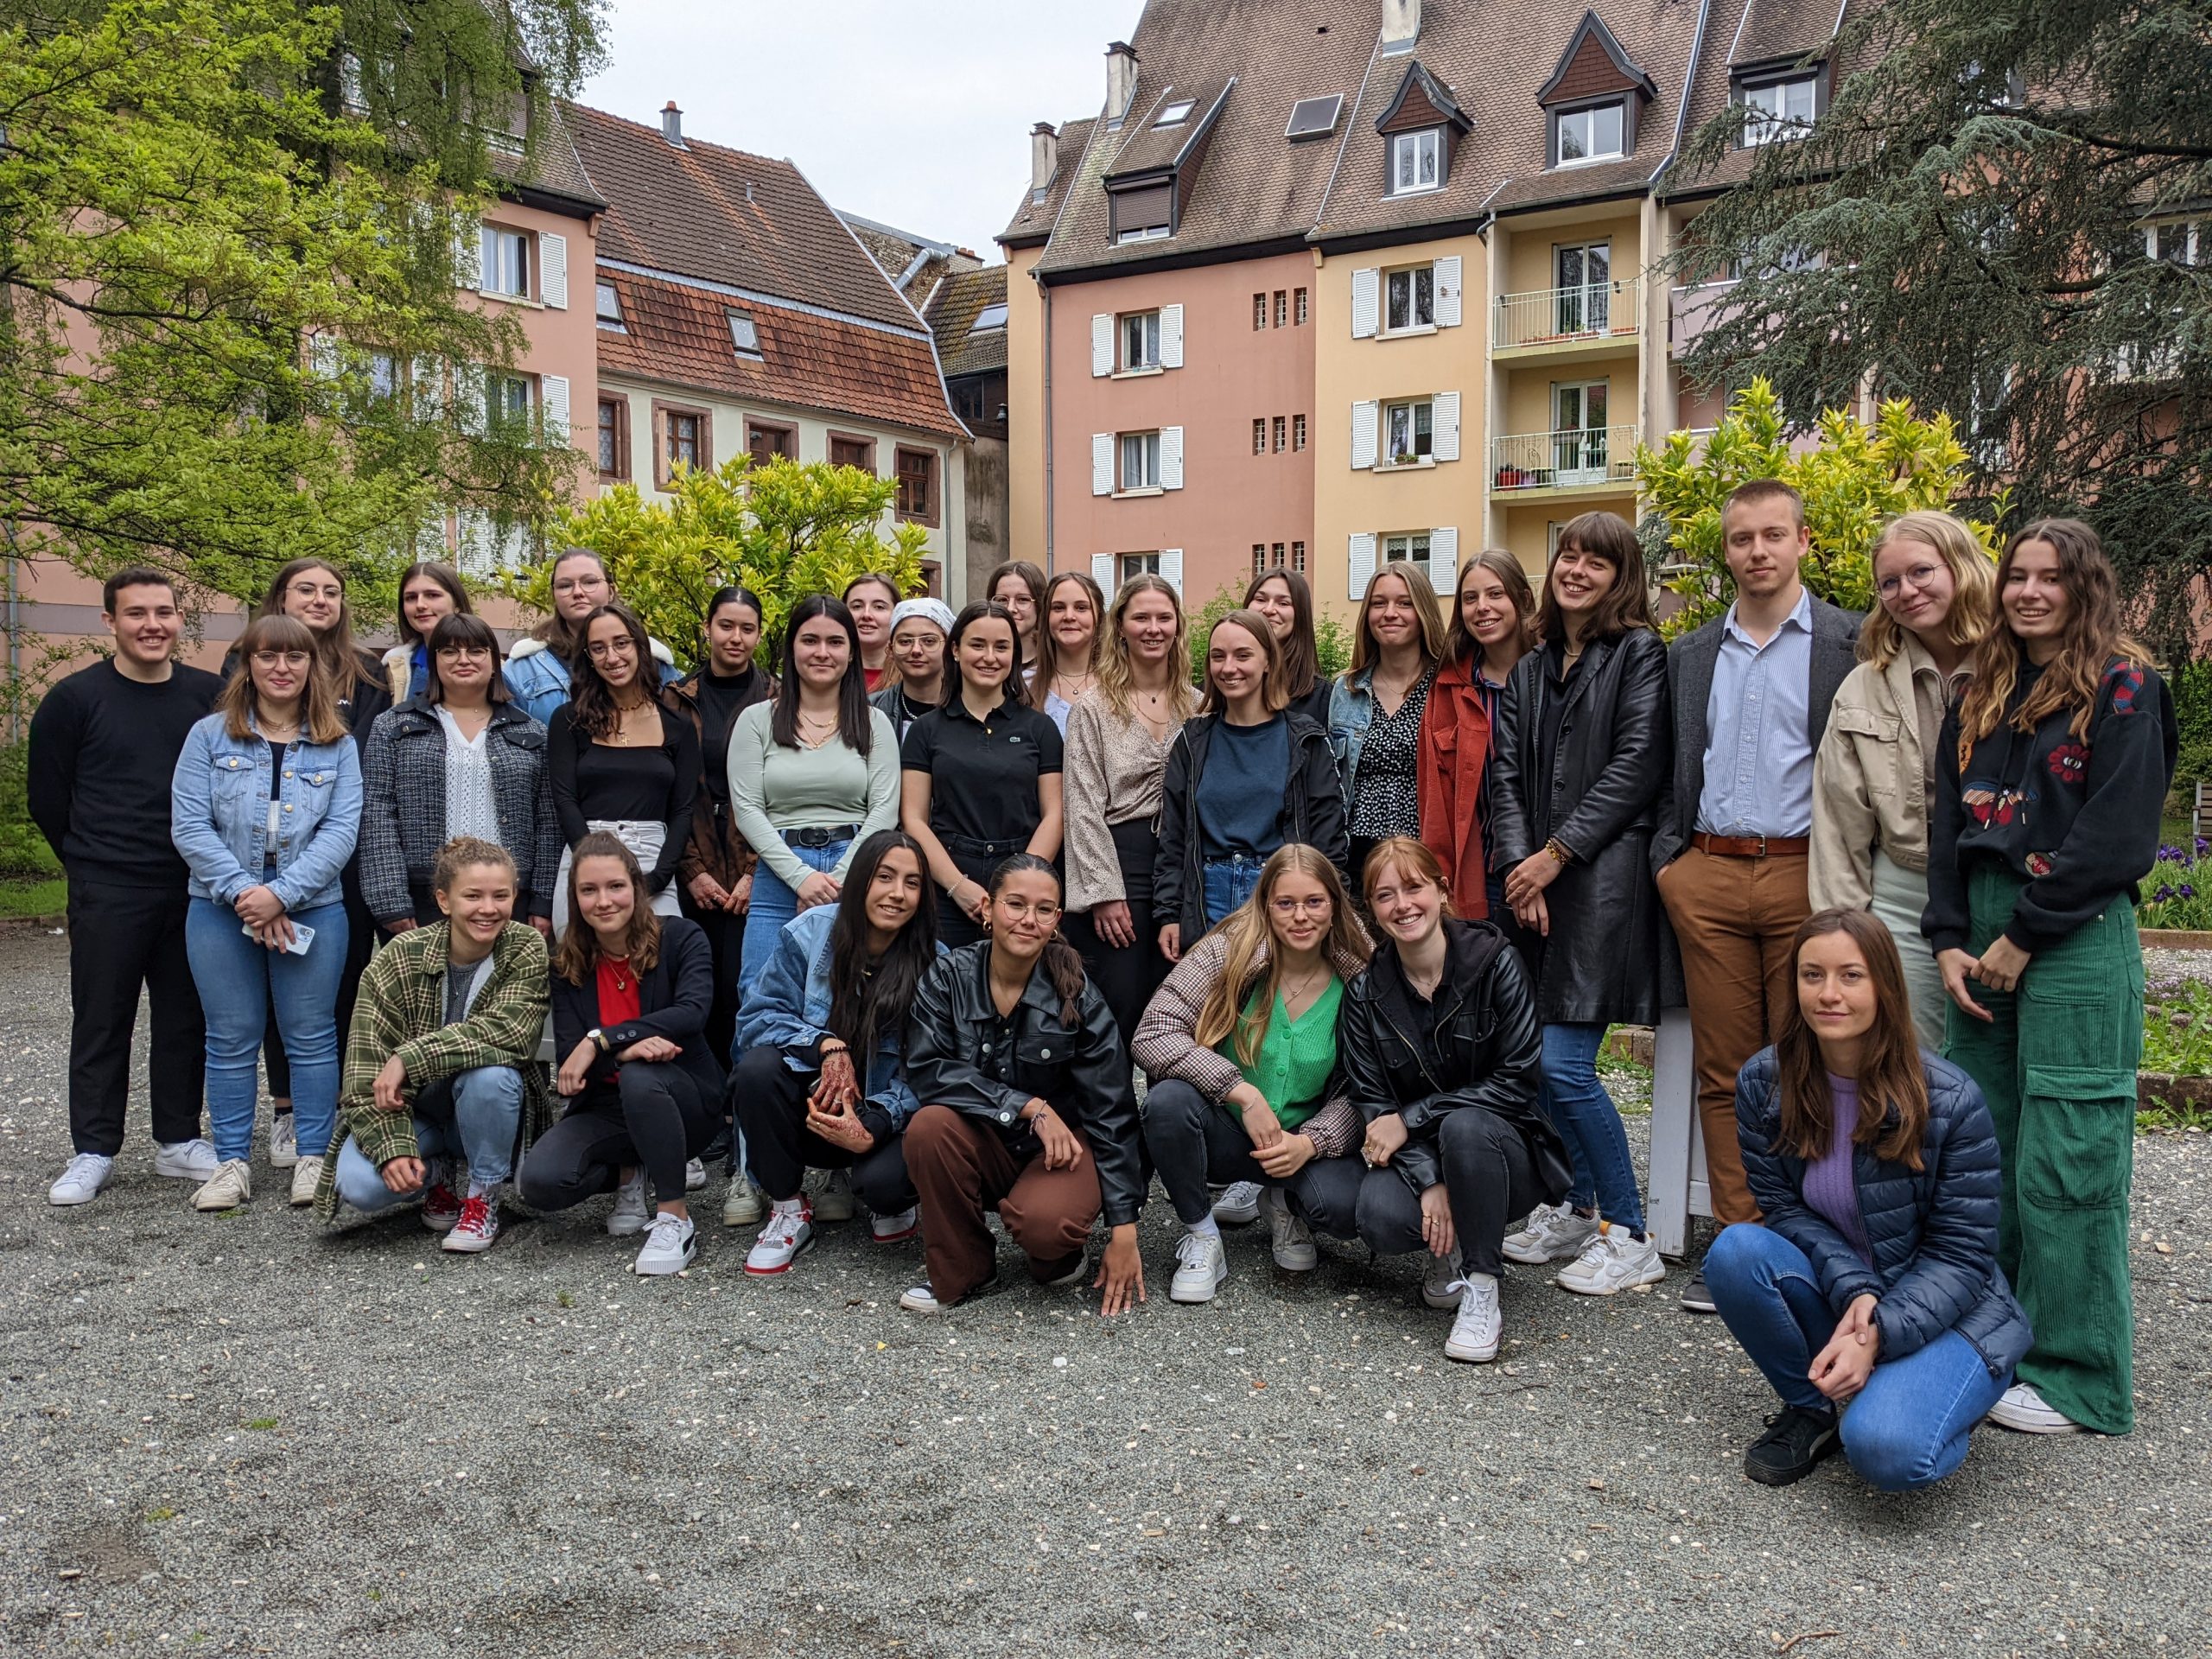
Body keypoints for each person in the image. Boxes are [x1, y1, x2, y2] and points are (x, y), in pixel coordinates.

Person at [1927, 518, 2175, 1438]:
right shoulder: (1980, 687)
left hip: (2070, 934)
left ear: (2084, 585)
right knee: (1980, 1148)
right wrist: (1950, 935)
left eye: (2050, 577)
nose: (2029, 591)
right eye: (2016, 576)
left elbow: (2118, 833)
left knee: (2066, 1158)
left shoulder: (2125, 684)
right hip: (1983, 935)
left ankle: (2078, 1376)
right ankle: (1992, 1337)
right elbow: (1946, 818)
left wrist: (2023, 938)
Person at [1707, 908, 2029, 1489]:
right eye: (1812, 976)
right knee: (1735, 1252)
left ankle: (1936, 1392)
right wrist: (1856, 1290)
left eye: (1851, 976)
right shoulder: (1764, 1083)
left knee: (1889, 1454)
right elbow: (1783, 1209)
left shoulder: (1951, 1100)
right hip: (1847, 1287)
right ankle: (1812, 1409)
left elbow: (1962, 1256)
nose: (1829, 994)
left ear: (1884, 983)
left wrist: (1878, 1328)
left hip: (1951, 1307)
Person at [1652, 478, 1861, 1313]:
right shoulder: (1693, 653)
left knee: (1811, 1064)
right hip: (1708, 870)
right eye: (1742, 540)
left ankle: (1815, 1243)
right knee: (1725, 1069)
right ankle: (1741, 1247)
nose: (1758, 552)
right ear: (1727, 551)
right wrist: (1673, 867)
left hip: (1807, 874)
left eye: (1774, 535)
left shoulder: (1851, 641)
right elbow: (1672, 765)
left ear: (1804, 541)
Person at [1489, 512, 1671, 1295]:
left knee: (1566, 1067)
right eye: (1568, 556)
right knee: (1535, 1062)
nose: (1577, 571)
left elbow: (1637, 766)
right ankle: (1576, 1203)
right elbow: (1504, 777)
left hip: (1596, 885)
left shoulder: (1638, 653)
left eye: (1597, 562)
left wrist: (1554, 859)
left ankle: (1631, 1233)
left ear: (1619, 575)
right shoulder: (1531, 667)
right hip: (1533, 887)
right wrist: (1519, 870)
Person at [34, 569, 224, 1206]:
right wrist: (91, 862)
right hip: (108, 887)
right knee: (102, 1018)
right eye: (137, 613)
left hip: (193, 888)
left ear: (179, 621)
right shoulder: (74, 699)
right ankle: (93, 1148)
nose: (152, 625)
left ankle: (177, 1139)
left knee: (184, 1017)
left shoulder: (210, 695)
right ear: (109, 622)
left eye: (165, 612)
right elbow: (48, 800)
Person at [1339, 838, 1571, 1363]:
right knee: (1378, 1217)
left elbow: (1516, 1081)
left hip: (1503, 1150)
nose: (1403, 905)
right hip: (1422, 1157)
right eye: (1385, 895)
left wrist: (1415, 1116)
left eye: (1415, 887)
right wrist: (1430, 1180)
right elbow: (1373, 1103)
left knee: (1464, 1126)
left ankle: (1482, 1283)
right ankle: (1449, 1246)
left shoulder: (1495, 962)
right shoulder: (1364, 994)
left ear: (1442, 891)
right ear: (1371, 910)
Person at [171, 613, 362, 1211]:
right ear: (248, 665)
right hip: (218, 909)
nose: (282, 668)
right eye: (269, 657)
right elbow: (189, 826)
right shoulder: (208, 736)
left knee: (310, 1037)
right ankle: (231, 1163)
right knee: (230, 1038)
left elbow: (341, 831)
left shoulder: (339, 742)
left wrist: (282, 894)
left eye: (295, 658)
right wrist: (245, 894)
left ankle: (312, 1156)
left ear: (313, 667)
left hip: (314, 909)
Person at [900, 855, 1146, 1315]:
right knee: (929, 1127)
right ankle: (967, 1272)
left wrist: (1124, 1228)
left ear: (1056, 921)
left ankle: (1061, 1251)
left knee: (1047, 1237)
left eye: (1044, 909)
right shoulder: (948, 977)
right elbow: (926, 1068)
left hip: (1062, 1149)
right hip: (985, 1140)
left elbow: (1113, 1112)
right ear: (988, 909)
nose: (1028, 920)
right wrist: (1026, 1106)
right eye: (1015, 904)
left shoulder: (1077, 993)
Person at [1130, 845, 1371, 1301]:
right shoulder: (1229, 952)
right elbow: (1152, 1031)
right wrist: (1240, 1091)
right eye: (1286, 903)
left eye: (1314, 902)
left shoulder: (1361, 980)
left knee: (1341, 1208)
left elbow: (1370, 1086)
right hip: (1229, 1131)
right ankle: (1202, 1234)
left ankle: (1283, 1204)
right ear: (1265, 905)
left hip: (1302, 1143)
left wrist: (1312, 1142)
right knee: (1166, 1103)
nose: (1300, 916)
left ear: (1335, 906)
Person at [1810, 512, 1993, 1050]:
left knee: (1999, 1055)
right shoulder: (1862, 687)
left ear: (1959, 568)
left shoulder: (2016, 666)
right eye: (1889, 582)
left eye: (1920, 572)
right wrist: (1840, 933)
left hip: (1998, 885)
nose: (1905, 592)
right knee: (1913, 1061)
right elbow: (1838, 824)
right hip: (1903, 894)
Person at [317, 838, 552, 1254]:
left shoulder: (525, 946)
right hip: (418, 1110)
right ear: (444, 900)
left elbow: (510, 1034)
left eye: (501, 895)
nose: (488, 908)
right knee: (361, 1186)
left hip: (487, 1110)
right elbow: (364, 1075)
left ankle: (482, 1197)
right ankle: (436, 1172)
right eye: (473, 896)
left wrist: (410, 1056)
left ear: (515, 897)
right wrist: (393, 1150)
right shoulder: (397, 958)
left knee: (492, 1076)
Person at [730, 830, 944, 1273]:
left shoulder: (937, 964)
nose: (897, 894)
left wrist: (878, 1120)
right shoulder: (809, 933)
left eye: (912, 882)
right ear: (862, 877)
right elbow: (757, 1018)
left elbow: (935, 1067)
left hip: (882, 1125)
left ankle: (887, 1201)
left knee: (885, 1187)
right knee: (756, 1070)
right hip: (813, 1115)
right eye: (885, 876)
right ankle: (789, 1209)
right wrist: (823, 1044)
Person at [518, 834, 726, 1276]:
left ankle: (675, 1219)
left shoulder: (682, 937)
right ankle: (629, 1170)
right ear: (575, 899)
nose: (604, 901)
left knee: (640, 1076)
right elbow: (575, 1066)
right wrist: (620, 1048)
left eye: (615, 886)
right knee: (540, 1183)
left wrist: (602, 1042)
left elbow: (690, 1014)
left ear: (637, 886)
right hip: (607, 1108)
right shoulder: (566, 964)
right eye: (588, 890)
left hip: (684, 1099)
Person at [242, 557, 391, 1171]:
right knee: (279, 986)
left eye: (332, 592)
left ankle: (331, 1110)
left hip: (345, 854)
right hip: (269, 861)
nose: (320, 600)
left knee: (343, 985)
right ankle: (285, 1111)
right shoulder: (245, 661)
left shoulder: (372, 674)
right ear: (281, 597)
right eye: (307, 589)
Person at [727, 594, 903, 1005]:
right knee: (759, 993)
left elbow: (884, 809)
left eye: (835, 642)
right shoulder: (756, 721)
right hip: (778, 869)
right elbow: (748, 810)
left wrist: (840, 880)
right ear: (792, 649)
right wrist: (802, 878)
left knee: (848, 996)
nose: (822, 653)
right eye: (810, 640)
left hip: (858, 869)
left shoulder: (874, 722)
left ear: (851, 652)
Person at [1155, 608, 1347, 961]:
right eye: (1218, 657)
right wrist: (1169, 913)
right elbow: (1173, 834)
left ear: (1268, 662)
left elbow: (1328, 836)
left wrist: (1329, 906)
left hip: (1281, 894)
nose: (1229, 668)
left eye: (1243, 655)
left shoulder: (1305, 740)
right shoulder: (1193, 740)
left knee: (1272, 1005)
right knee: (1214, 1010)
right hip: (1208, 896)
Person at [359, 613, 561, 934]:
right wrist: (389, 898)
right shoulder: (392, 727)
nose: (463, 660)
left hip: (509, 897)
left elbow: (548, 822)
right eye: (449, 651)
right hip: (422, 895)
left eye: (476, 651)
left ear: (494, 661)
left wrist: (543, 899)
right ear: (435, 661)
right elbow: (378, 812)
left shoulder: (532, 733)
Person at [1061, 575, 1194, 1046]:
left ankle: (1166, 1116)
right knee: (1117, 1008)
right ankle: (1107, 1120)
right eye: (1140, 617)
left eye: (1163, 617)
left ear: (1178, 626)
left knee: (1178, 1011)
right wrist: (1103, 892)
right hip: (1120, 863)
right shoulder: (1094, 708)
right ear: (1119, 626)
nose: (1153, 628)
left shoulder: (1198, 706)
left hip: (1181, 866)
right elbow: (1080, 805)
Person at [900, 601, 1065, 950]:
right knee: (945, 989)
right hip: (947, 879)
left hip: (1024, 878)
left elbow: (1055, 815)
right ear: (956, 650)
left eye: (1002, 647)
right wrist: (958, 887)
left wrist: (1019, 887)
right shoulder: (926, 730)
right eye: (978, 645)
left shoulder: (1040, 729)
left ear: (1015, 656)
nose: (990, 657)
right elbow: (913, 819)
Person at [668, 586, 775, 1068]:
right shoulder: (674, 700)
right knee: (697, 987)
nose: (735, 637)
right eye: (726, 626)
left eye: (747, 629)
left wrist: (756, 869)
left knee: (745, 986)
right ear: (707, 628)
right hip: (693, 860)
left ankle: (740, 1105)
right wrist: (691, 869)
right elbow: (671, 792)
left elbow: (782, 791)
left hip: (760, 861)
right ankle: (706, 1106)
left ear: (759, 635)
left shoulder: (779, 697)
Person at [547, 601, 698, 932]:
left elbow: (683, 811)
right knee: (580, 972)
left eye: (621, 643)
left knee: (658, 968)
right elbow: (564, 801)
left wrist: (658, 878)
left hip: (653, 861)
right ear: (588, 658)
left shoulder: (678, 727)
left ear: (640, 646)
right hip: (584, 854)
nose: (612, 658)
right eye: (598, 649)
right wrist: (593, 868)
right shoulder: (568, 721)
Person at [1421, 550, 1537, 922]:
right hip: (1481, 877)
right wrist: (1440, 880)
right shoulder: (1449, 686)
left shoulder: (1556, 676)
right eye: (1470, 599)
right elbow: (1435, 796)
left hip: (1552, 867)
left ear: (1521, 599)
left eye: (1495, 594)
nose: (1482, 607)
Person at [1331, 563, 1446, 886]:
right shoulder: (1346, 690)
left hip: (1425, 851)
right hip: (1355, 857)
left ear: (1423, 610)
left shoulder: (1446, 685)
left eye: (1404, 603)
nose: (1390, 613)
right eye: (1379, 603)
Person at [505, 547, 678, 727]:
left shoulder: (653, 660)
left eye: (589, 582)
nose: (578, 592)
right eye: (565, 585)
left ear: (611, 591)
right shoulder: (523, 669)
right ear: (554, 595)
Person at [1244, 569, 1334, 728]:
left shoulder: (1323, 697)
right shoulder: (1223, 683)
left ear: (1300, 614)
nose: (1269, 609)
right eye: (1260, 599)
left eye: (1283, 603)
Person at [380, 561, 473, 705]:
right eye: (411, 598)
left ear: (457, 603)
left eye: (432, 595)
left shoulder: (492, 667)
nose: (420, 605)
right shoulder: (393, 667)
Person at [871, 597, 954, 741]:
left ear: (950, 649)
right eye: (905, 641)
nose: (916, 650)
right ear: (891, 650)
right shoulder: (870, 710)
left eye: (929, 641)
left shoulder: (970, 708)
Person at [1031, 570, 1104, 733]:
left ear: (1098, 616)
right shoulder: (1024, 686)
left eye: (1081, 608)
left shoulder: (1118, 686)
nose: (1069, 616)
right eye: (1058, 608)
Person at [842, 572, 902, 693]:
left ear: (896, 614)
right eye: (857, 606)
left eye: (879, 607)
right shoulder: (829, 672)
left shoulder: (912, 675)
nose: (866, 615)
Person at [988, 559, 1047, 675]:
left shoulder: (1055, 665)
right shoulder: (980, 662)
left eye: (1023, 600)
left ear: (1040, 605)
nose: (1010, 608)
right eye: (1002, 600)